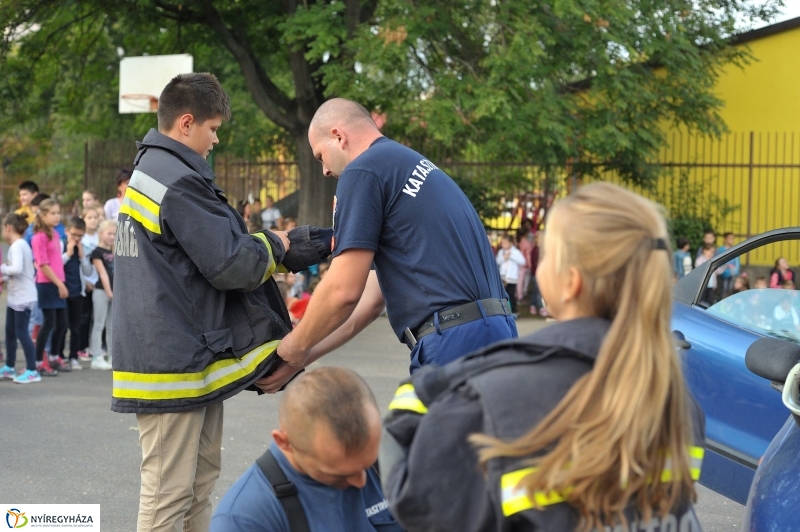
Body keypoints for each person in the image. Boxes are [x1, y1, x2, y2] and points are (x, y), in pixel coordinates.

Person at [380, 182, 706, 532]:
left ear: (571, 281)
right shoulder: (677, 401)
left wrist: (418, 396)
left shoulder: (491, 396)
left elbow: (418, 501)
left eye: (547, 253)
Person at [112, 73, 317, 532]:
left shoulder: (154, 173)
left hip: (181, 359)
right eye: (213, 128)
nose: (216, 139)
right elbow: (229, 265)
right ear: (187, 123)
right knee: (168, 496)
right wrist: (279, 246)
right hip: (172, 365)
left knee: (197, 483)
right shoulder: (176, 181)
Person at [265, 98, 517, 392]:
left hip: (452, 341)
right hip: (496, 330)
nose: (324, 171)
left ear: (338, 136)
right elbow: (368, 303)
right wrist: (304, 354)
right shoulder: (404, 163)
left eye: (320, 156)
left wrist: (293, 346)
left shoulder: (363, 171)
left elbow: (342, 291)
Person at [210, 367, 403, 532]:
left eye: (368, 463)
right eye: (340, 474)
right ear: (284, 442)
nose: (361, 482)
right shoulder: (245, 519)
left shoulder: (397, 453)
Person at [31, 198, 69, 377]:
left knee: (62, 322)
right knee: (49, 323)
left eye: (58, 213)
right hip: (47, 285)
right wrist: (59, 284)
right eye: (53, 213)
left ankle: (54, 356)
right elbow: (42, 264)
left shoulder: (54, 233)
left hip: (58, 282)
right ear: (43, 215)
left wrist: (62, 282)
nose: (57, 216)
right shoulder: (39, 237)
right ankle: (39, 361)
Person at [0, 214, 39, 383]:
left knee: (22, 333)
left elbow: (15, 269)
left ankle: (32, 370)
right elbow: (21, 271)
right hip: (16, 297)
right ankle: (9, 367)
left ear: (8, 228)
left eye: (3, 228)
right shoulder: (21, 244)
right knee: (10, 331)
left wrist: (2, 268)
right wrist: (5, 278)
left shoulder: (17, 245)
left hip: (23, 297)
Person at [59, 216, 92, 370]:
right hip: (63, 292)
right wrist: (68, 253)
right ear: (66, 231)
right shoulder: (61, 244)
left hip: (78, 293)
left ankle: (73, 356)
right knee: (62, 326)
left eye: (80, 235)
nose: (77, 238)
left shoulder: (82, 248)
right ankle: (58, 355)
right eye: (74, 235)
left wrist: (82, 257)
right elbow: (57, 265)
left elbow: (88, 271)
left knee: (76, 327)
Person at [88, 220, 115, 371]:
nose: (112, 236)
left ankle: (112, 356)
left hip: (114, 293)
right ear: (101, 234)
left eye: (114, 234)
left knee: (112, 326)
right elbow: (103, 273)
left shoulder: (115, 251)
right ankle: (97, 356)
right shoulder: (97, 252)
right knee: (99, 324)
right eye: (109, 233)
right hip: (101, 292)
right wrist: (110, 292)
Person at [78, 207, 101, 359]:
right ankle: (82, 347)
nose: (93, 220)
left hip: (99, 283)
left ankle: (96, 347)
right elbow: (80, 263)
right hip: (86, 284)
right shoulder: (81, 239)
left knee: (98, 318)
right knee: (84, 317)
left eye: (95, 217)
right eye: (89, 217)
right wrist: (86, 281)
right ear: (84, 219)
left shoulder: (101, 237)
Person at [496, 234, 526, 315]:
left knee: (511, 295)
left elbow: (523, 261)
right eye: (502, 243)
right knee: (503, 295)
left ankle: (513, 311)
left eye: (505, 243)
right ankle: (504, 311)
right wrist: (504, 257)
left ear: (510, 243)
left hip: (512, 278)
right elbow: (497, 262)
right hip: (503, 276)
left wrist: (511, 256)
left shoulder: (516, 252)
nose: (503, 245)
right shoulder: (501, 252)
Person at [716, 232, 740, 297]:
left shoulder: (735, 249)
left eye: (733, 238)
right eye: (730, 238)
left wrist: (736, 270)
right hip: (724, 272)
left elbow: (737, 261)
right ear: (725, 239)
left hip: (733, 272)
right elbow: (720, 262)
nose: (732, 240)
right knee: (724, 288)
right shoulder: (721, 250)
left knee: (731, 288)